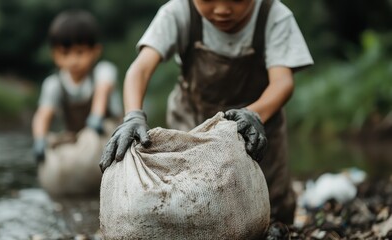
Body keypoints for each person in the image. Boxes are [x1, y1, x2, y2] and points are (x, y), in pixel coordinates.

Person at [100, 0, 313, 225]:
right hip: (192, 122)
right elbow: (141, 68)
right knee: (191, 198)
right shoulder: (179, 12)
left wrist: (253, 114)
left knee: (271, 202)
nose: (222, 9)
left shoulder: (274, 15)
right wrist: (133, 115)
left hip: (258, 122)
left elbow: (282, 82)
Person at [32, 9, 120, 164]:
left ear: (95, 51)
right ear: (54, 55)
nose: (73, 60)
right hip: (77, 141)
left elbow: (102, 91)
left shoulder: (103, 71)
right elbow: (43, 114)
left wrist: (96, 116)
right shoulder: (54, 84)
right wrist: (39, 139)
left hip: (107, 136)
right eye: (65, 53)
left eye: (80, 52)